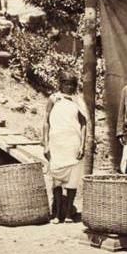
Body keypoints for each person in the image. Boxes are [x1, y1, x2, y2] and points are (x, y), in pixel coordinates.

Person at [43, 72, 88, 224]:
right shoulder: (54, 99)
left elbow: (83, 124)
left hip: (73, 143)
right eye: (66, 83)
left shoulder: (78, 102)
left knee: (72, 180)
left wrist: (82, 145)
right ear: (60, 84)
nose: (68, 87)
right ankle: (56, 214)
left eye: (72, 84)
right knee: (56, 178)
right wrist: (46, 143)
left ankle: (68, 213)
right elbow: (46, 122)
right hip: (57, 143)